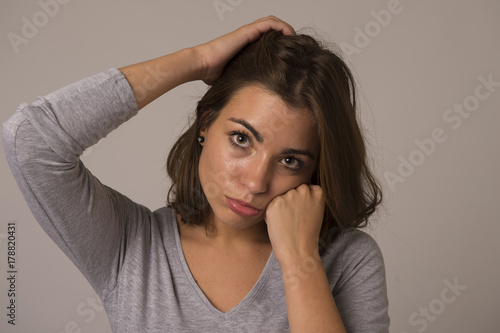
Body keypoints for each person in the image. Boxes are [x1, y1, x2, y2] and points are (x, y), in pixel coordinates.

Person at [3, 16, 389, 332]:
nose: (255, 182)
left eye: (290, 161)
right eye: (241, 138)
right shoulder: (131, 246)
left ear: (315, 171)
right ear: (205, 124)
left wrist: (300, 260)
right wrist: (197, 60)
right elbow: (30, 141)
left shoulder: (348, 261)